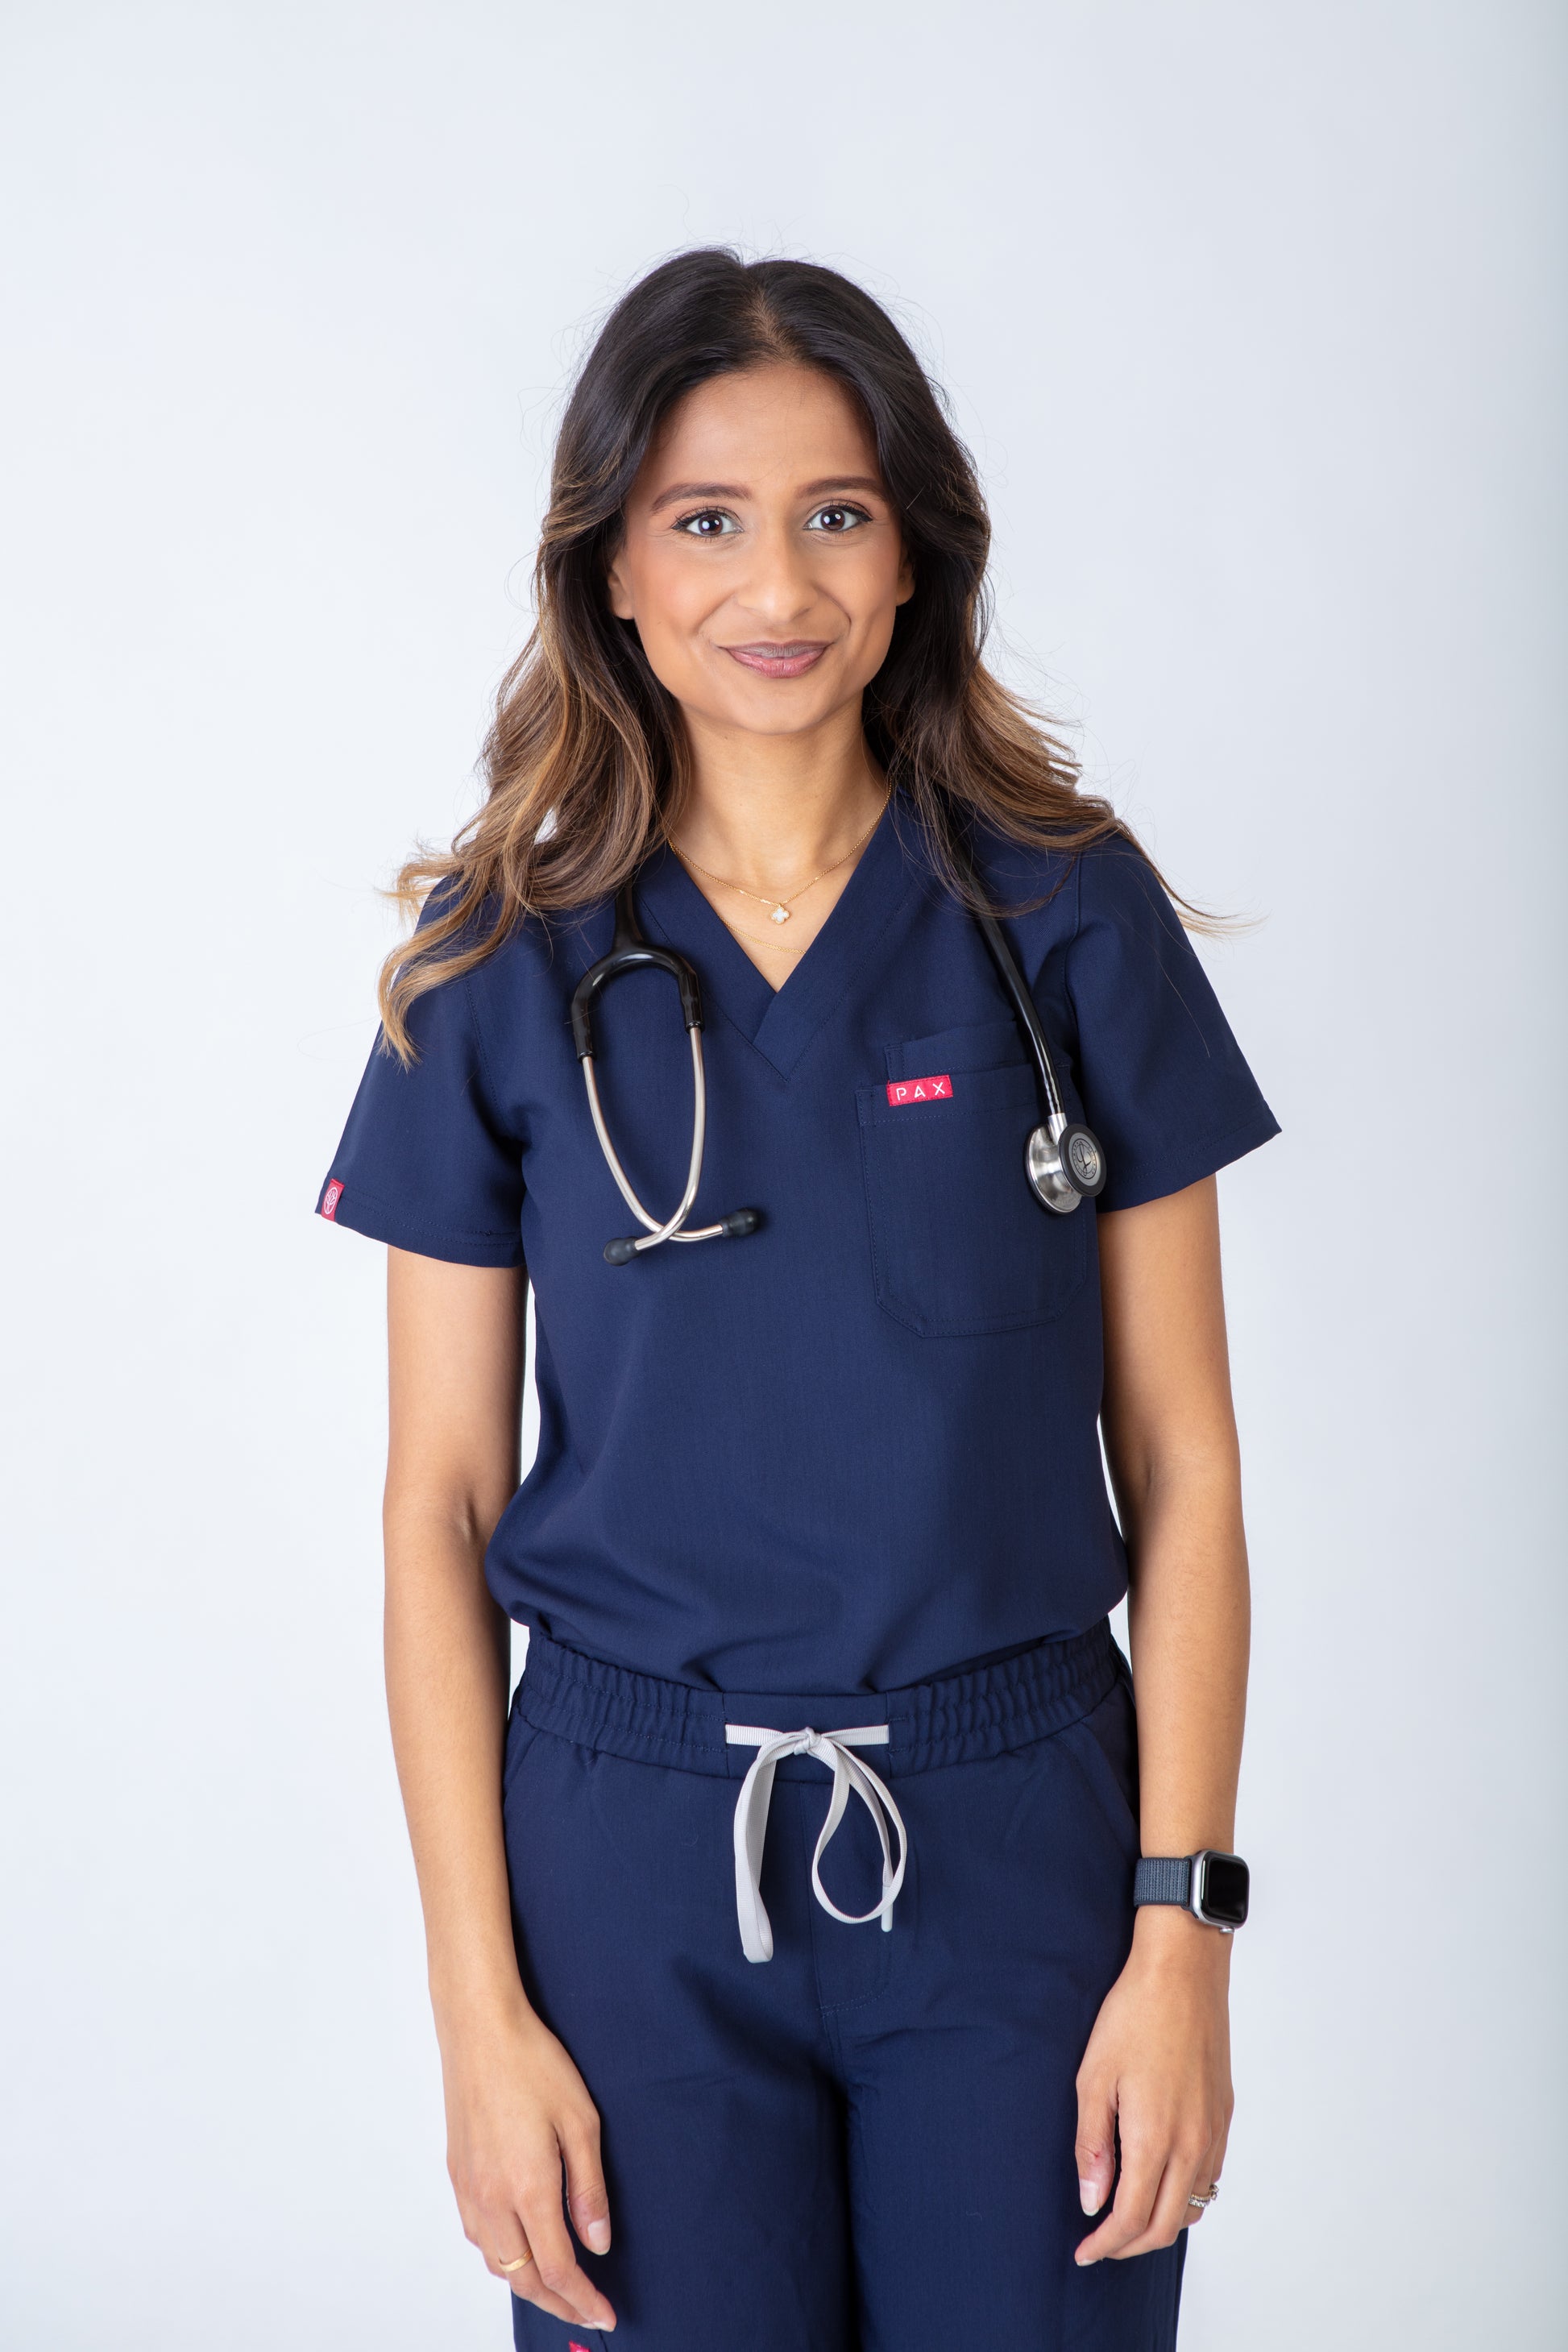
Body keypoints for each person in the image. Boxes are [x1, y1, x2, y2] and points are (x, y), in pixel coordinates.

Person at [317, 248, 1277, 2350]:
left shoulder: (1063, 919)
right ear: (611, 569)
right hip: (625, 1857)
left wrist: (1179, 1936)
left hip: (1022, 1845)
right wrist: (477, 2010)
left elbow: (1186, 1464)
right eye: (705, 520)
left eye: (836, 513)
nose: (778, 584)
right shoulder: (497, 965)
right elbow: (435, 1512)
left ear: (916, 553)